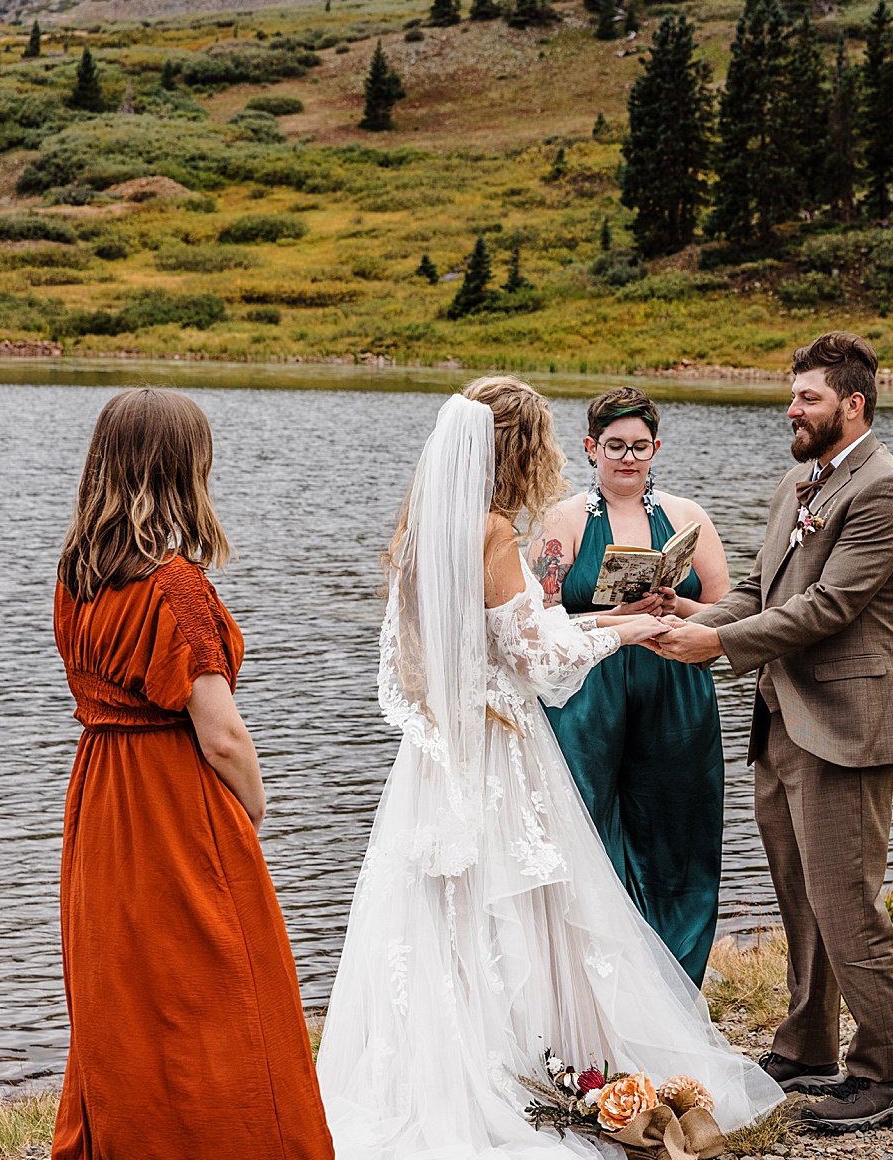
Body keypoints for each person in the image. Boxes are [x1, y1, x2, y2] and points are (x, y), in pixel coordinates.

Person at [316, 379, 782, 1159]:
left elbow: (485, 640)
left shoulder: (425, 525)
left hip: (439, 754)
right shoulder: (494, 530)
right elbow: (537, 654)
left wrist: (615, 616)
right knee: (523, 904)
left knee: (443, 913)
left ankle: (443, 1061)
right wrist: (631, 634)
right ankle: (516, 1064)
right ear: (518, 449)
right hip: (499, 750)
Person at [650, 331, 893, 1133]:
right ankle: (807, 1044)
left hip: (845, 723)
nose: (792, 407)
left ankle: (887, 1071)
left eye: (807, 397)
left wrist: (720, 646)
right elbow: (768, 595)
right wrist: (696, 617)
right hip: (781, 720)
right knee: (799, 897)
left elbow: (829, 608)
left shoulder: (887, 489)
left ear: (853, 404)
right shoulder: (796, 485)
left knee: (846, 902)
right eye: (792, 393)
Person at [51, 389, 333, 1160]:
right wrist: (253, 806)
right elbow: (222, 734)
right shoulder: (173, 585)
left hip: (101, 797)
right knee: (223, 991)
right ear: (181, 470)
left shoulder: (79, 574)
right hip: (173, 803)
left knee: (129, 993)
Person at [530, 387, 732, 984]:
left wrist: (677, 604)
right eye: (614, 446)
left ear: (656, 448)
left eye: (640, 447)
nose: (628, 458)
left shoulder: (688, 515)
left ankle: (674, 984)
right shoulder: (562, 520)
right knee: (587, 828)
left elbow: (726, 608)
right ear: (591, 448)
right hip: (589, 693)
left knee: (682, 830)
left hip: (674, 686)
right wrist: (616, 618)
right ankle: (593, 987)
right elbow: (534, 620)